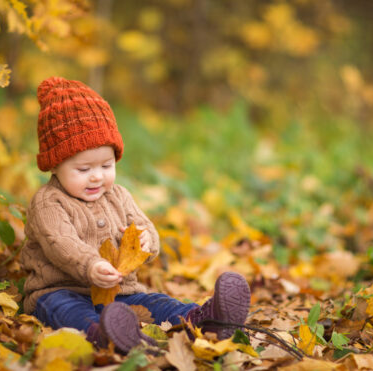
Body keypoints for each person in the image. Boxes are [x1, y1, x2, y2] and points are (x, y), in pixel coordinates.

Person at [20, 76, 251, 353]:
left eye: (106, 165)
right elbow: (61, 243)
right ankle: (104, 334)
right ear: (54, 166)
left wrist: (146, 242)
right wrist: (91, 265)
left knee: (156, 303)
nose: (96, 177)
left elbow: (144, 226)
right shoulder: (48, 201)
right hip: (62, 290)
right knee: (65, 310)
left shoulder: (119, 195)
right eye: (83, 170)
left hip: (121, 295)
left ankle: (205, 319)